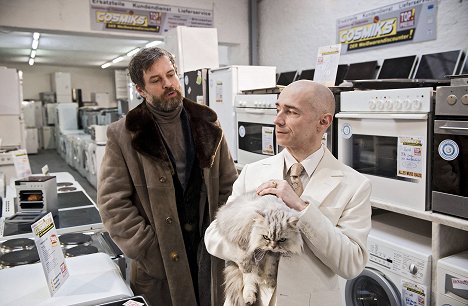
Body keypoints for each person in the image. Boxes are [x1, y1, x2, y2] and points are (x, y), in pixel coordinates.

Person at [204, 80, 372, 306]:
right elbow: (213, 235)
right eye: (278, 109)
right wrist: (254, 251)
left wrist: (302, 210)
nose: (278, 120)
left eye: (291, 112)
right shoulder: (252, 172)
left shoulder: (354, 185)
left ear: (323, 122)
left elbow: (351, 263)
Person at [97, 47, 238, 306]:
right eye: (156, 80)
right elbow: (112, 204)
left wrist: (225, 235)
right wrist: (148, 250)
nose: (168, 84)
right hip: (159, 260)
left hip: (208, 250)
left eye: (171, 75)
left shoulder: (208, 123)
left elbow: (229, 187)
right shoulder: (123, 134)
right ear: (141, 90)